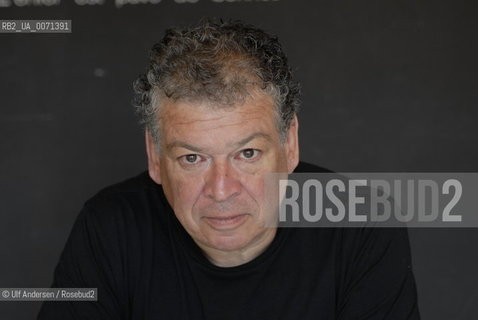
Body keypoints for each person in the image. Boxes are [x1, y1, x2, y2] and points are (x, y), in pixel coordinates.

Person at [38, 19, 420, 319]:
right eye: (193, 158)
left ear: (290, 145)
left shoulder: (363, 225)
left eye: (248, 154)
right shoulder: (110, 227)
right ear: (155, 157)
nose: (221, 190)